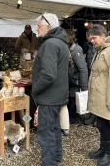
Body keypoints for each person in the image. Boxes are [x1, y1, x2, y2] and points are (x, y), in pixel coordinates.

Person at [32, 13, 69, 166]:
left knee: (46, 133)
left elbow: (48, 75)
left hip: (49, 96)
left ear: (49, 27)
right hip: (57, 95)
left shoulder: (50, 44)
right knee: (54, 129)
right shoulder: (60, 42)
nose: (36, 29)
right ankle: (56, 157)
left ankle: (49, 163)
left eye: (39, 26)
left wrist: (35, 90)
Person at [87, 24, 110, 166]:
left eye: (94, 38)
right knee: (101, 123)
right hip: (99, 94)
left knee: (103, 124)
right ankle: (103, 149)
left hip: (105, 95)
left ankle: (109, 153)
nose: (92, 41)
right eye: (91, 39)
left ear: (103, 36)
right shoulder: (102, 49)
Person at [67, 33, 88, 124]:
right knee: (72, 101)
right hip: (70, 80)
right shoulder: (68, 49)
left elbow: (83, 69)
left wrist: (84, 88)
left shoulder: (76, 51)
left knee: (73, 101)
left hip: (75, 81)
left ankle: (75, 119)